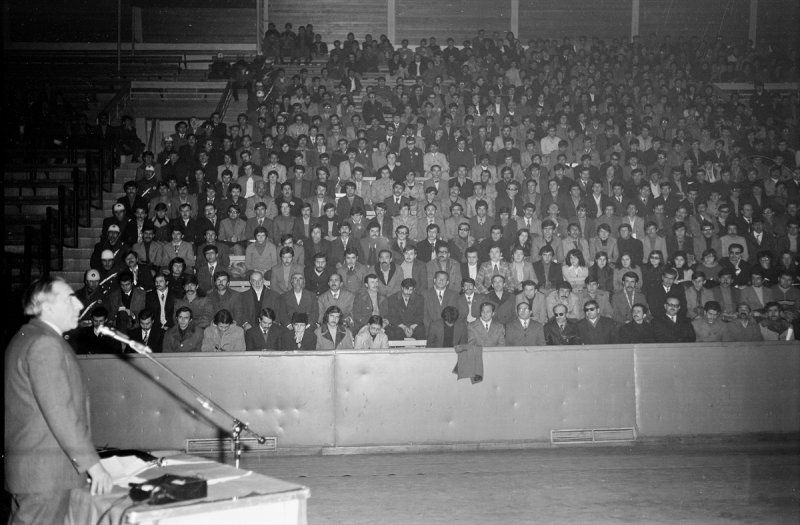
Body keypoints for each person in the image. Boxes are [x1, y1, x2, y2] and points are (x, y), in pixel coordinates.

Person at [5, 277, 112, 524]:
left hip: (34, 474)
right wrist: (93, 466)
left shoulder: (26, 336)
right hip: (47, 477)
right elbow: (60, 412)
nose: (78, 305)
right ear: (48, 306)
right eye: (70, 298)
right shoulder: (45, 344)